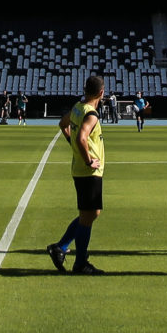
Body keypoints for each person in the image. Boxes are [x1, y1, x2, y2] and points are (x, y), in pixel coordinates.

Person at [46, 75, 108, 275]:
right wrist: (89, 159)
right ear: (101, 93)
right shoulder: (91, 114)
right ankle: (78, 261)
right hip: (89, 171)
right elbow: (82, 137)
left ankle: (61, 248)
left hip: (81, 171)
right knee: (88, 215)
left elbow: (63, 125)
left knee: (90, 213)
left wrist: (73, 145)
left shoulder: (77, 108)